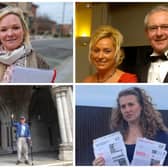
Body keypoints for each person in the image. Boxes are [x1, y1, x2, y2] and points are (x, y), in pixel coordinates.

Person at [93, 87, 168, 165]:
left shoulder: (161, 137)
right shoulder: (114, 139)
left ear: (142, 106)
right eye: (123, 106)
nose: (127, 110)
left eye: (131, 104)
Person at [0, 6, 50, 82]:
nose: (10, 34)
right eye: (3, 30)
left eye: (15, 28)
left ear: (24, 31)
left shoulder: (40, 63)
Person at [138, 5, 168, 82]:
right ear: (147, 33)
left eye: (165, 27)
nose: (159, 33)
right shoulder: (139, 66)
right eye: (153, 28)